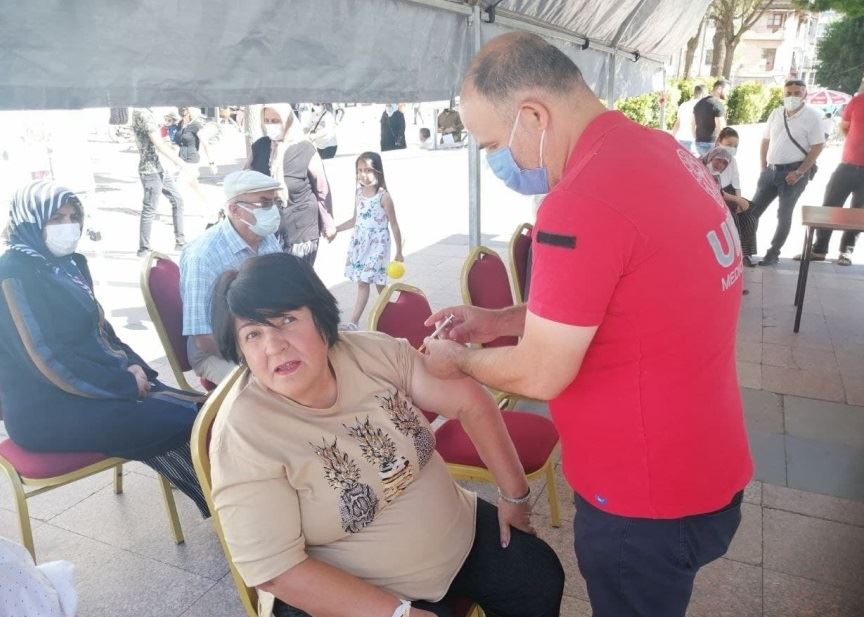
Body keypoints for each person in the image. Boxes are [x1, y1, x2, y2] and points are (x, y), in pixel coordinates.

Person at [422, 32, 752, 617]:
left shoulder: (581, 200)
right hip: (705, 460)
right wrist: (498, 318)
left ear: (533, 116)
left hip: (643, 498)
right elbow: (615, 296)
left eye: (495, 143)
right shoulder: (659, 151)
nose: (501, 161)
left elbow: (543, 371)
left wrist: (461, 360)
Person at [208, 252, 565, 617]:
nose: (273, 345)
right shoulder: (244, 434)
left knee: (537, 573)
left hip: (459, 535)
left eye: (286, 320)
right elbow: (275, 571)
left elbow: (469, 403)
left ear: (319, 317)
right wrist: (399, 615)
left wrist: (515, 495)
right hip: (357, 596)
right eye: (253, 334)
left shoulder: (367, 352)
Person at [0, 181, 208, 516]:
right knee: (182, 419)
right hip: (46, 411)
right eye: (56, 218)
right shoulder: (11, 275)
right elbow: (47, 361)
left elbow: (101, 331)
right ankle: (224, 505)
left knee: (203, 409)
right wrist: (125, 384)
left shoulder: (68, 264)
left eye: (73, 216)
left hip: (90, 388)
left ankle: (224, 494)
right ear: (29, 220)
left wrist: (139, 369)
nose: (69, 226)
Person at [180, 170, 283, 384]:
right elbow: (203, 338)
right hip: (218, 350)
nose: (272, 210)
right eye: (264, 204)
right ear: (235, 209)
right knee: (269, 388)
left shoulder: (267, 239)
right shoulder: (203, 256)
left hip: (265, 333)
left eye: (274, 203)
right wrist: (256, 353)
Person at [746, 79, 825, 266]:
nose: (792, 97)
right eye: (788, 93)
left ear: (804, 94)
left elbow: (817, 147)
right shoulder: (775, 113)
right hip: (770, 172)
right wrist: (763, 167)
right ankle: (745, 251)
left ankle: (773, 253)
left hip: (793, 175)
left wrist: (799, 172)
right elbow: (765, 140)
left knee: (783, 215)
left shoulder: (812, 117)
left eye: (797, 93)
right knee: (751, 213)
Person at [247, 104, 336, 264]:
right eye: (267, 120)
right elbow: (245, 179)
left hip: (301, 229)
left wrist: (328, 223)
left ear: (287, 121)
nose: (271, 125)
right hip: (268, 228)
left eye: (275, 120)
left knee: (297, 281)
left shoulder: (305, 148)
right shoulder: (260, 147)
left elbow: (322, 188)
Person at [334, 152, 403, 329]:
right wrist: (336, 229)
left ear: (378, 171)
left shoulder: (384, 197)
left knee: (366, 282)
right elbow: (355, 219)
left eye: (368, 170)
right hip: (361, 243)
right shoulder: (358, 193)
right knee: (377, 284)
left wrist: (399, 251)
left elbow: (394, 225)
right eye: (359, 170)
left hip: (378, 244)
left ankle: (354, 322)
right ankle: (394, 313)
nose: (363, 174)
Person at [798, 80, 864, 266]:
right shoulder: (857, 102)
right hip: (847, 165)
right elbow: (844, 127)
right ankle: (819, 249)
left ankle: (846, 251)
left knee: (859, 213)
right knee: (830, 205)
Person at [131, 108, 188, 257]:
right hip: (151, 170)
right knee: (150, 209)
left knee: (177, 200)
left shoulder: (145, 112)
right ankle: (144, 249)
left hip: (159, 168)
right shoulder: (143, 113)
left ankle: (181, 241)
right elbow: (158, 144)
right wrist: (181, 163)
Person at [713, 127, 757, 262]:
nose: (732, 148)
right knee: (732, 218)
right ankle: (735, 254)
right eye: (728, 145)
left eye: (735, 146)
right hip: (717, 195)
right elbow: (716, 187)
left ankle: (745, 253)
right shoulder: (712, 158)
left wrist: (739, 201)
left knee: (749, 215)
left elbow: (736, 182)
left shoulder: (732, 160)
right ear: (718, 142)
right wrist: (735, 199)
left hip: (730, 192)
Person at [693, 79, 730, 156]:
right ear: (719, 89)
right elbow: (721, 128)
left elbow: (693, 124)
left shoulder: (699, 103)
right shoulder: (717, 105)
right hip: (711, 144)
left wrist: (696, 139)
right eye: (727, 90)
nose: (728, 93)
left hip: (699, 143)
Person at [671, 84, 705, 152]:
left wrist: (672, 137)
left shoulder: (683, 105)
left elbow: (677, 123)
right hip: (694, 140)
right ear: (703, 94)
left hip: (681, 138)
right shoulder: (702, 106)